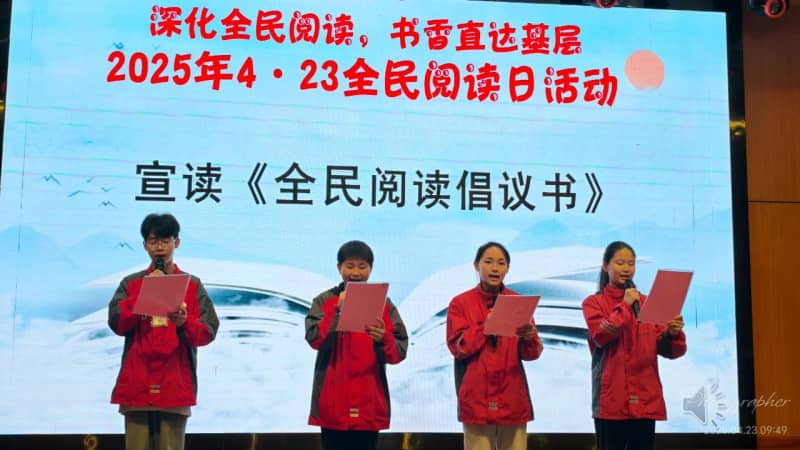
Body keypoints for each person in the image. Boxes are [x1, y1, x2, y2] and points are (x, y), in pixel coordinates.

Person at [108, 213, 219, 450]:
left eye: (166, 241)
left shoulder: (191, 284)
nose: (159, 247)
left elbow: (208, 331)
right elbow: (116, 323)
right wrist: (144, 294)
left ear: (176, 242)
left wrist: (184, 323)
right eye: (153, 241)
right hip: (137, 384)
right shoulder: (131, 283)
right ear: (145, 245)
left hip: (174, 382)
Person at [581, 241, 686, 450]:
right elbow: (602, 335)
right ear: (605, 266)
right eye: (620, 263)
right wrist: (625, 306)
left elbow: (670, 350)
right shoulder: (593, 303)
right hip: (612, 400)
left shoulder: (649, 302)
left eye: (631, 263)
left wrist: (672, 334)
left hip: (645, 397)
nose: (627, 268)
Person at [304, 240, 408, 450]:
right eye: (349, 266)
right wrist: (337, 310)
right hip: (333, 403)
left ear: (371, 268)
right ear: (339, 268)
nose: (356, 273)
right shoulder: (324, 300)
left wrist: (384, 339)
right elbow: (314, 339)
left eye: (362, 266)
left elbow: (399, 351)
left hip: (369, 401)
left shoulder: (383, 303)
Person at [446, 242, 543, 450]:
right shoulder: (460, 303)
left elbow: (532, 354)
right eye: (488, 262)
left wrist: (529, 337)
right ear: (476, 265)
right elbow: (458, 348)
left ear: (507, 268)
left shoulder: (517, 302)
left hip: (512, 397)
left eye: (501, 263)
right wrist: (486, 327)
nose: (495, 268)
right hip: (476, 398)